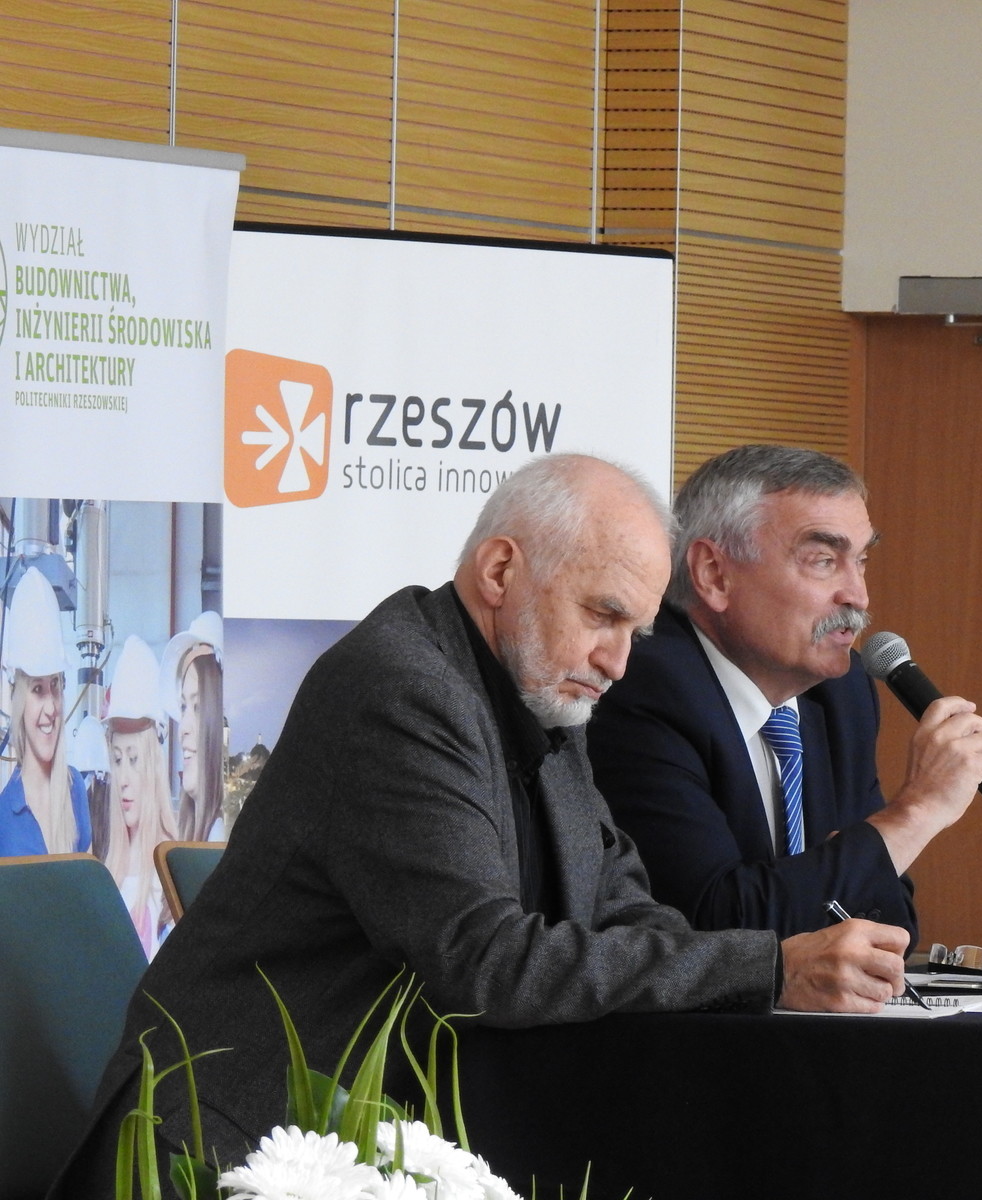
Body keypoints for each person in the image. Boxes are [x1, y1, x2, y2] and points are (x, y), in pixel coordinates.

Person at [50, 453, 909, 1197]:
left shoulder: (544, 691)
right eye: (603, 615)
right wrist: (768, 967)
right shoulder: (401, 687)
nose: (618, 661)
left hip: (392, 1134)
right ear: (500, 571)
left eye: (636, 631)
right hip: (231, 1143)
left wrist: (756, 969)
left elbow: (621, 906)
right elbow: (487, 961)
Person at [586, 444, 982, 939]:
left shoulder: (842, 694)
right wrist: (915, 813)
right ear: (714, 574)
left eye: (861, 561)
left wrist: (841, 867)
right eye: (823, 560)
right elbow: (710, 929)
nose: (858, 595)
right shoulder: (638, 686)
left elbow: (892, 922)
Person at [0, 565, 92, 856]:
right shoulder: (3, 814)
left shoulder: (75, 790)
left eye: (56, 685)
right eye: (37, 689)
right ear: (17, 698)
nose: (51, 707)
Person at [102, 634, 178, 956]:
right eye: (117, 760)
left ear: (153, 765)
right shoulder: (107, 870)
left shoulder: (174, 866)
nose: (124, 779)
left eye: (134, 760)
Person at [161, 611, 227, 840]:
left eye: (198, 707)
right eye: (183, 707)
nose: (183, 729)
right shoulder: (192, 834)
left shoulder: (221, 836)